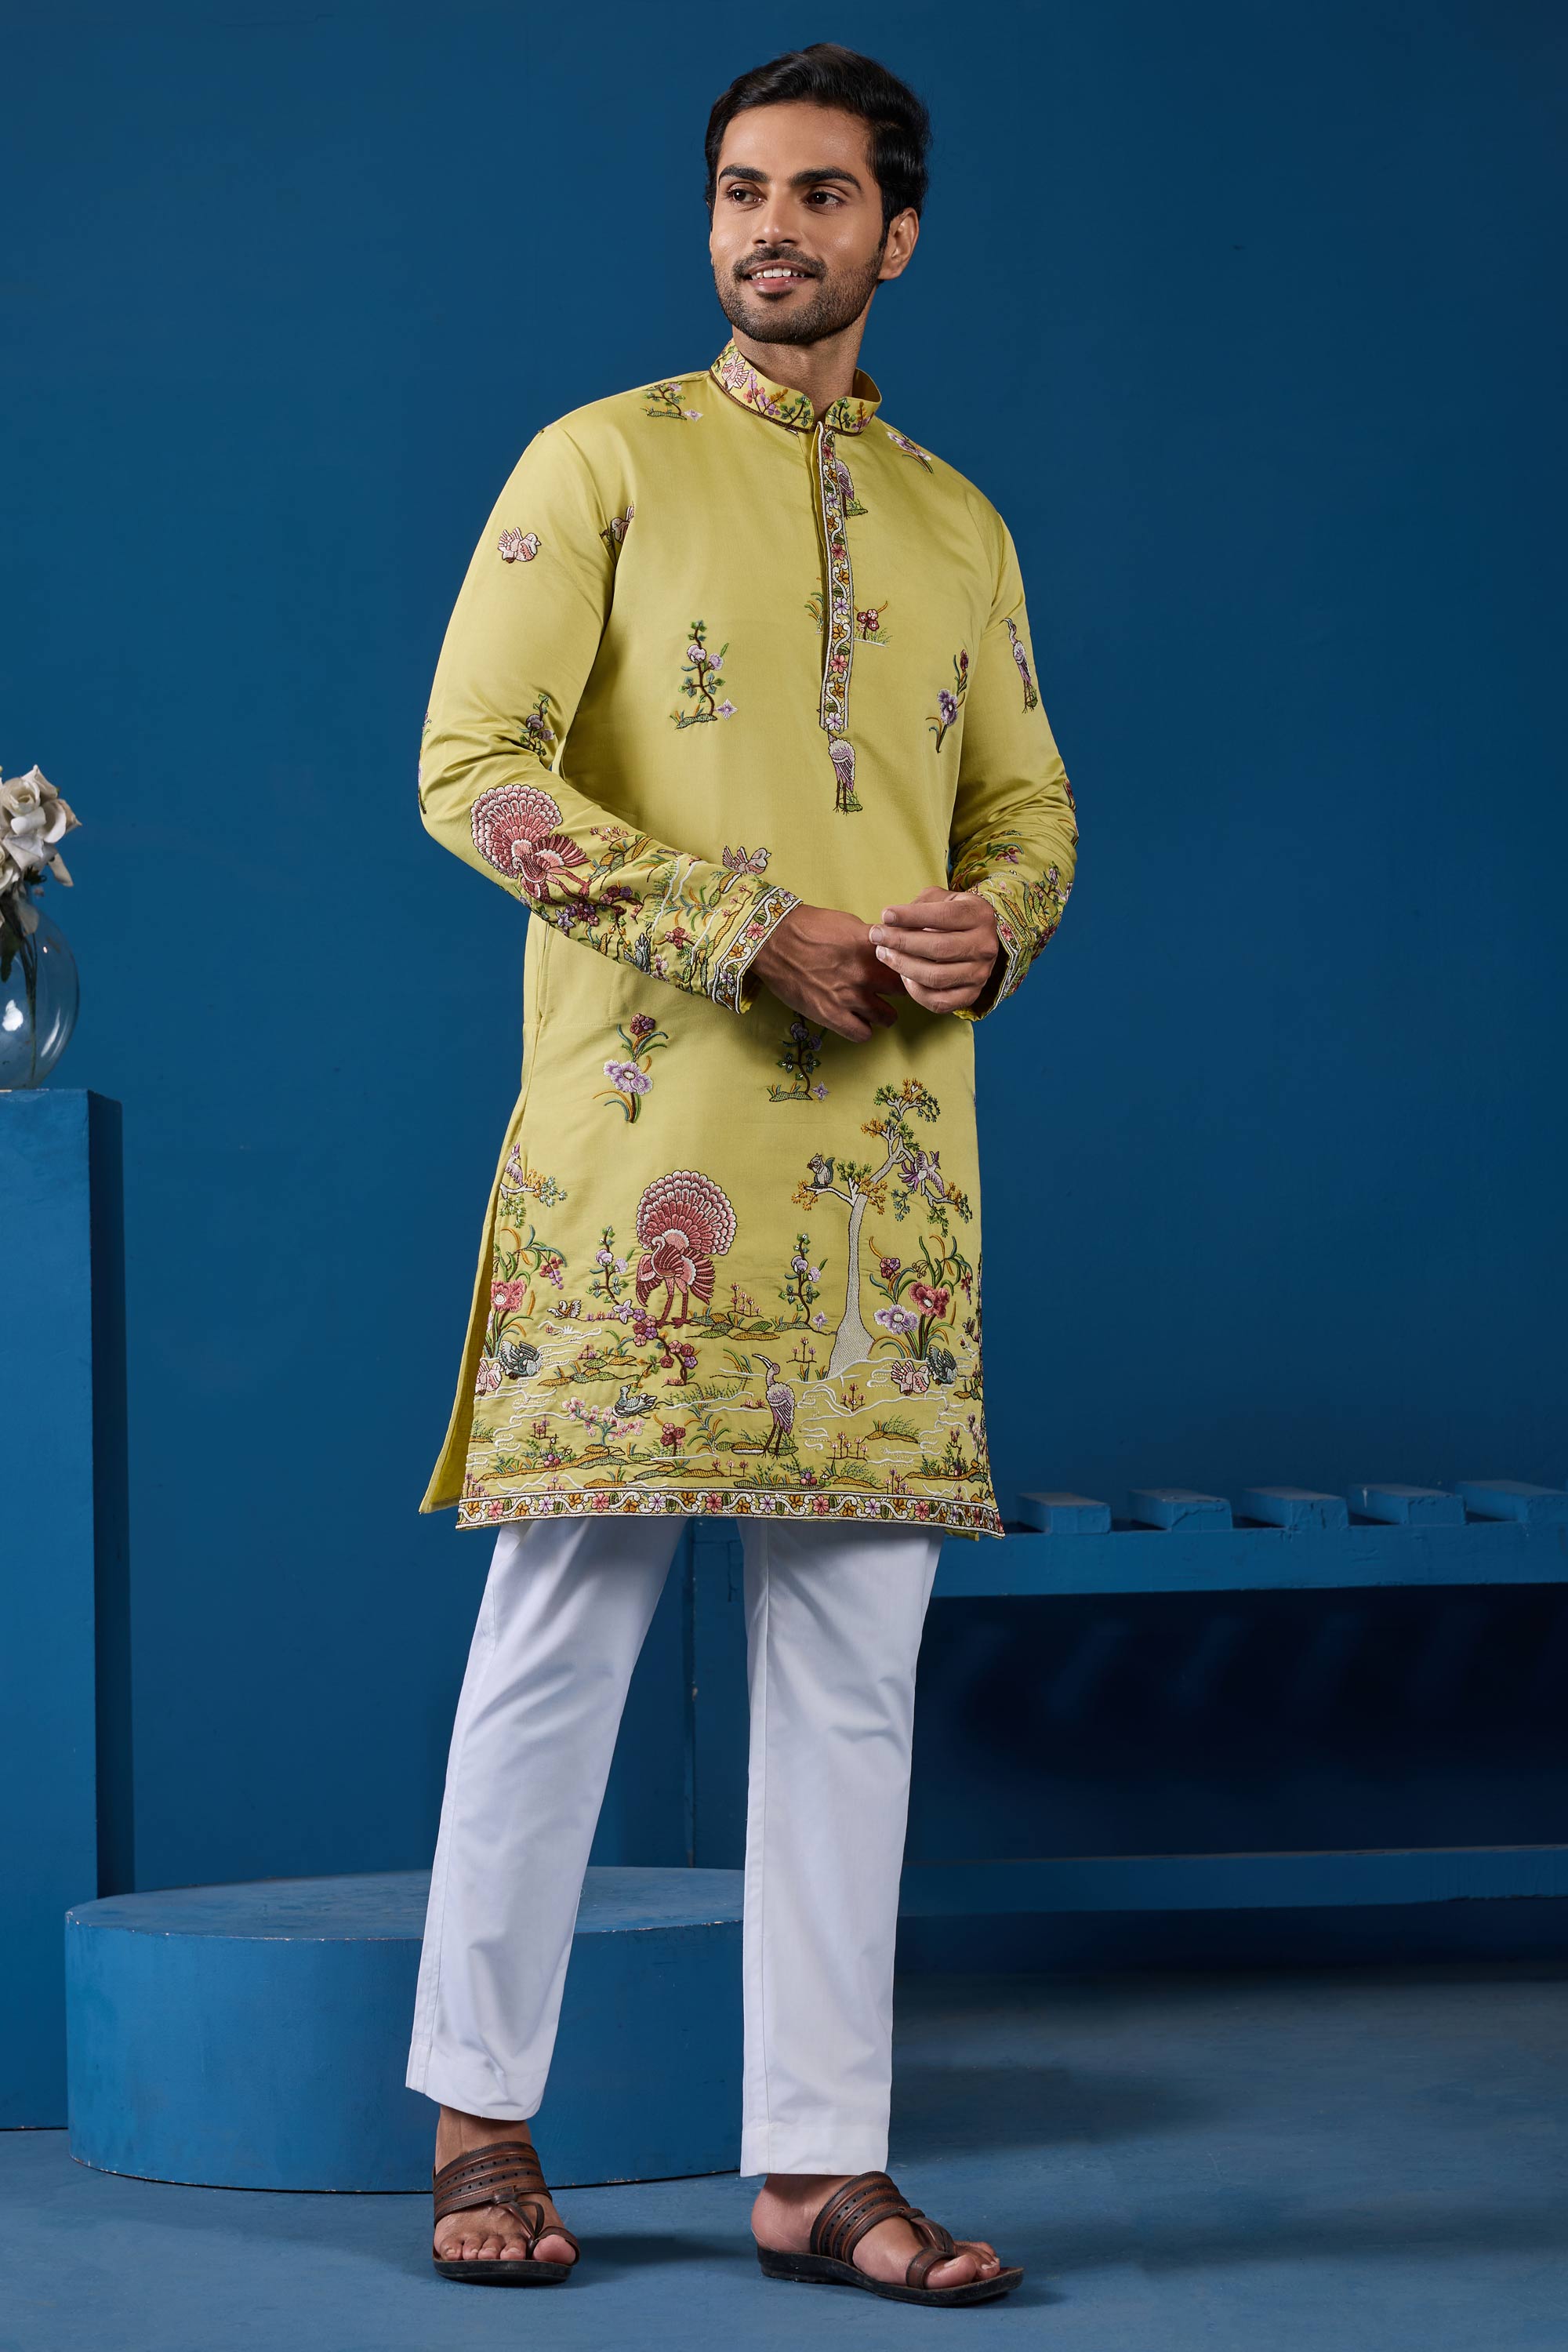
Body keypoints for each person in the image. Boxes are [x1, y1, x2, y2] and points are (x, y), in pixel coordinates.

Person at [407, 40, 1077, 2308]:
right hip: (643, 1149)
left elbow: (1032, 812)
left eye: (817, 194)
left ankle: (817, 2166)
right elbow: (473, 769)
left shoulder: (959, 522)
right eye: (739, 191)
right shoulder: (598, 461)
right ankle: (480, 2126)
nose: (769, 228)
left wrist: (996, 924)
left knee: (857, 1668)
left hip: (886, 1171)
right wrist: (732, 926)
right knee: (561, 1631)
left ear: (900, 232)